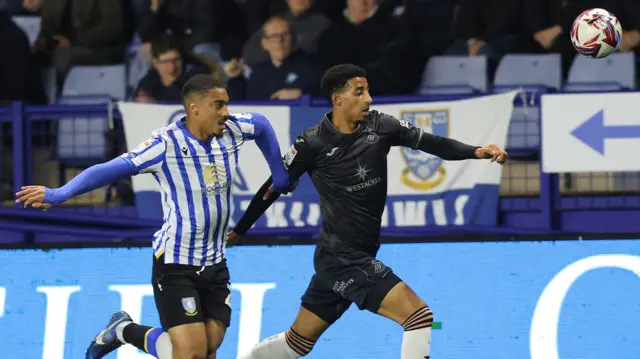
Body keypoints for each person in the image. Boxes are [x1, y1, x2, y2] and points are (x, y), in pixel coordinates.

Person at [228, 64, 508, 359]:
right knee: (418, 317)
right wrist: (241, 229)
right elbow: (273, 187)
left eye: (368, 91)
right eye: (359, 92)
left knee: (296, 344)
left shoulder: (381, 126)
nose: (368, 99)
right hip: (342, 257)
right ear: (338, 99)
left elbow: (434, 144)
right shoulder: (312, 143)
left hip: (350, 256)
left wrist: (476, 151)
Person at [14, 74, 293, 359]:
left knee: (208, 349)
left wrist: (279, 176)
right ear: (194, 108)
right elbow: (109, 168)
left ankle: (122, 329)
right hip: (176, 263)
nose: (225, 113)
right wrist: (60, 193)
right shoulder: (165, 144)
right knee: (192, 354)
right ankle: (124, 331)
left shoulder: (232, 129)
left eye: (227, 105)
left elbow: (261, 125)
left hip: (215, 260)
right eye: (218, 105)